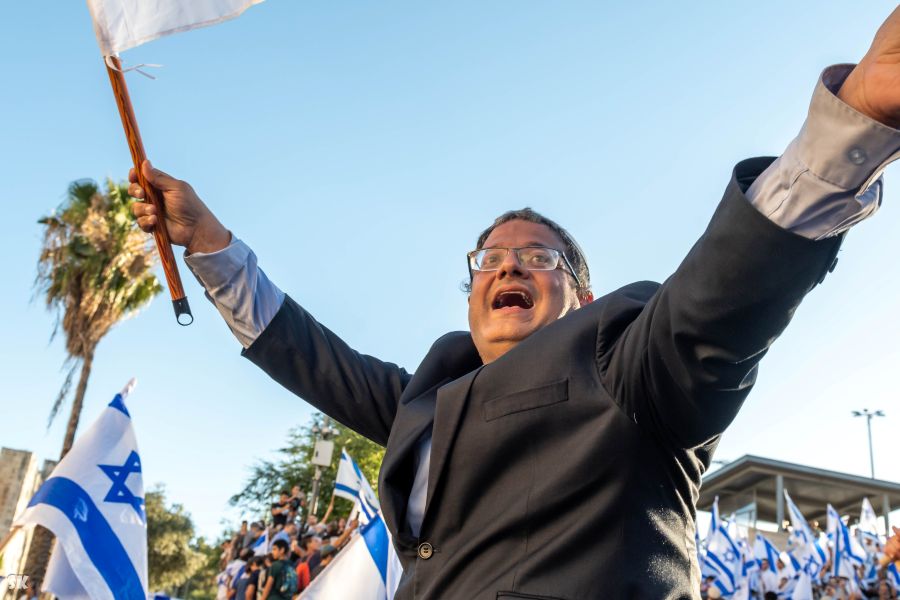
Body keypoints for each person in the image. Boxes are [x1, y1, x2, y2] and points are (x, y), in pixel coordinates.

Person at [129, 7, 900, 598]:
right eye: (490, 258)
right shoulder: (424, 400)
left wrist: (852, 121)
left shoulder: (627, 367)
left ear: (582, 295)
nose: (509, 266)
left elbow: (718, 300)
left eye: (537, 256)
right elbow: (308, 354)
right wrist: (209, 242)